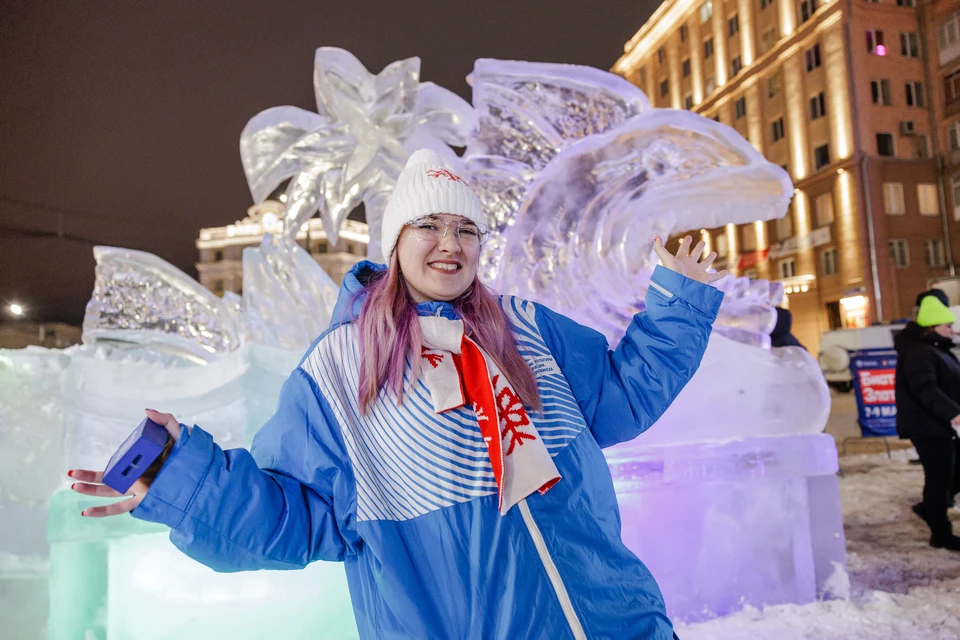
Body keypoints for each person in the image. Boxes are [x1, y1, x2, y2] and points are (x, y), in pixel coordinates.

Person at [68, 149, 726, 639]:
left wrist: (677, 304)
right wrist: (183, 479)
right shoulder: (338, 367)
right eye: (429, 226)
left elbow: (622, 398)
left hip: (614, 621)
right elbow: (299, 515)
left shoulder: (529, 329)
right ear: (397, 239)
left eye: (466, 229)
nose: (450, 245)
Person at [894, 294, 960, 551]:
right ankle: (941, 534)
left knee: (950, 473)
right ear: (933, 327)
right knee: (939, 478)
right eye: (947, 326)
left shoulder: (937, 350)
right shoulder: (920, 352)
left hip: (939, 423)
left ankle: (929, 509)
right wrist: (952, 413)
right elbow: (926, 388)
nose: (951, 331)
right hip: (927, 425)